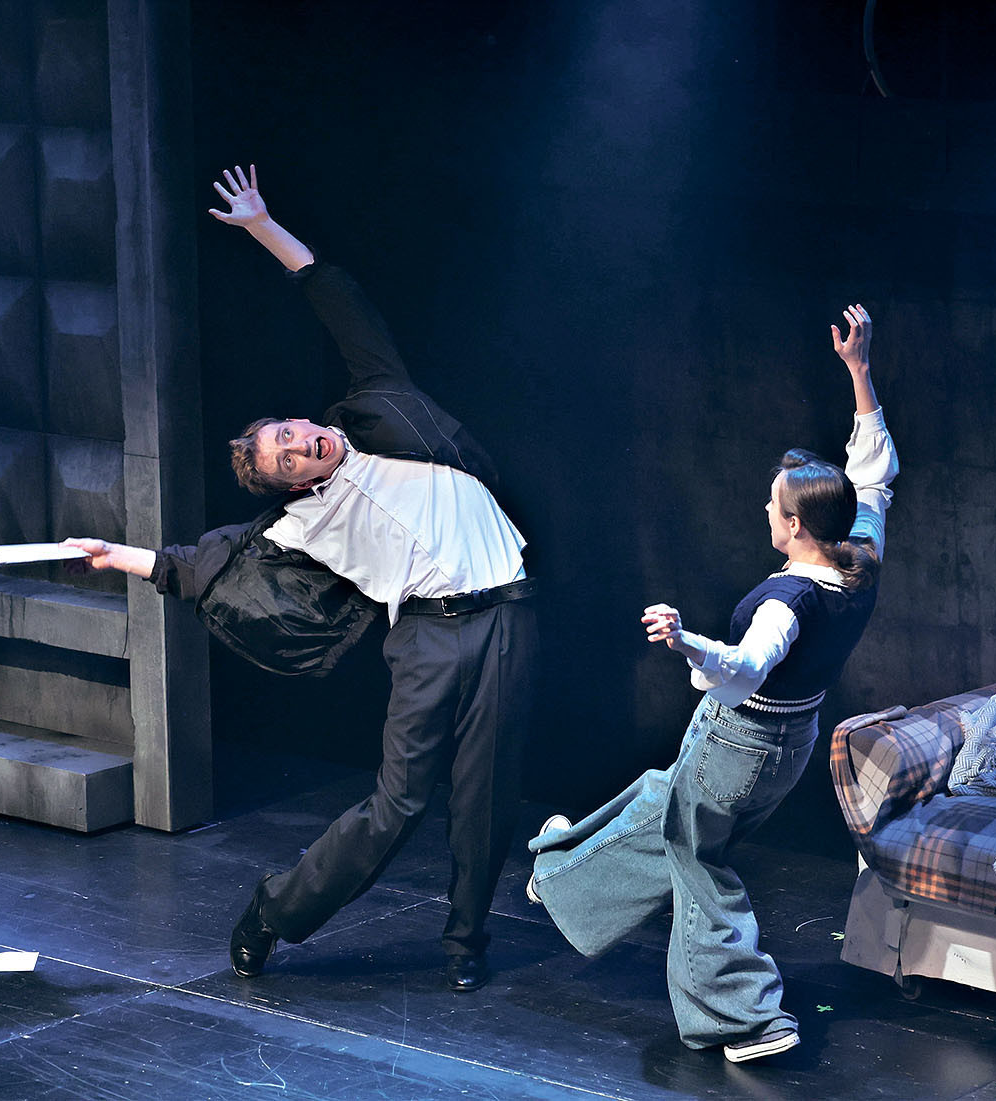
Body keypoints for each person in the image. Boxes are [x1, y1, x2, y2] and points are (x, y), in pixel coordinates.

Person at [65, 165, 537, 993]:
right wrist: (121, 555)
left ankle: (465, 943)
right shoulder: (300, 525)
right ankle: (274, 909)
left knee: (488, 795)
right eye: (285, 459)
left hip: (507, 614)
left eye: (289, 433)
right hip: (427, 637)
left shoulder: (381, 406)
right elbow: (201, 566)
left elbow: (340, 301)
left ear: (304, 421)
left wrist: (260, 225)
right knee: (398, 806)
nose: (296, 447)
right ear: (291, 483)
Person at [525, 302, 897, 1063]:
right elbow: (874, 472)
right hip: (789, 742)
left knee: (698, 858)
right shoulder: (860, 552)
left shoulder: (786, 600)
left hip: (739, 742)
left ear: (795, 526)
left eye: (773, 504)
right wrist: (859, 372)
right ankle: (559, 872)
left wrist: (685, 639)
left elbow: (747, 666)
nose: (766, 509)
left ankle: (747, 1018)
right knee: (662, 801)